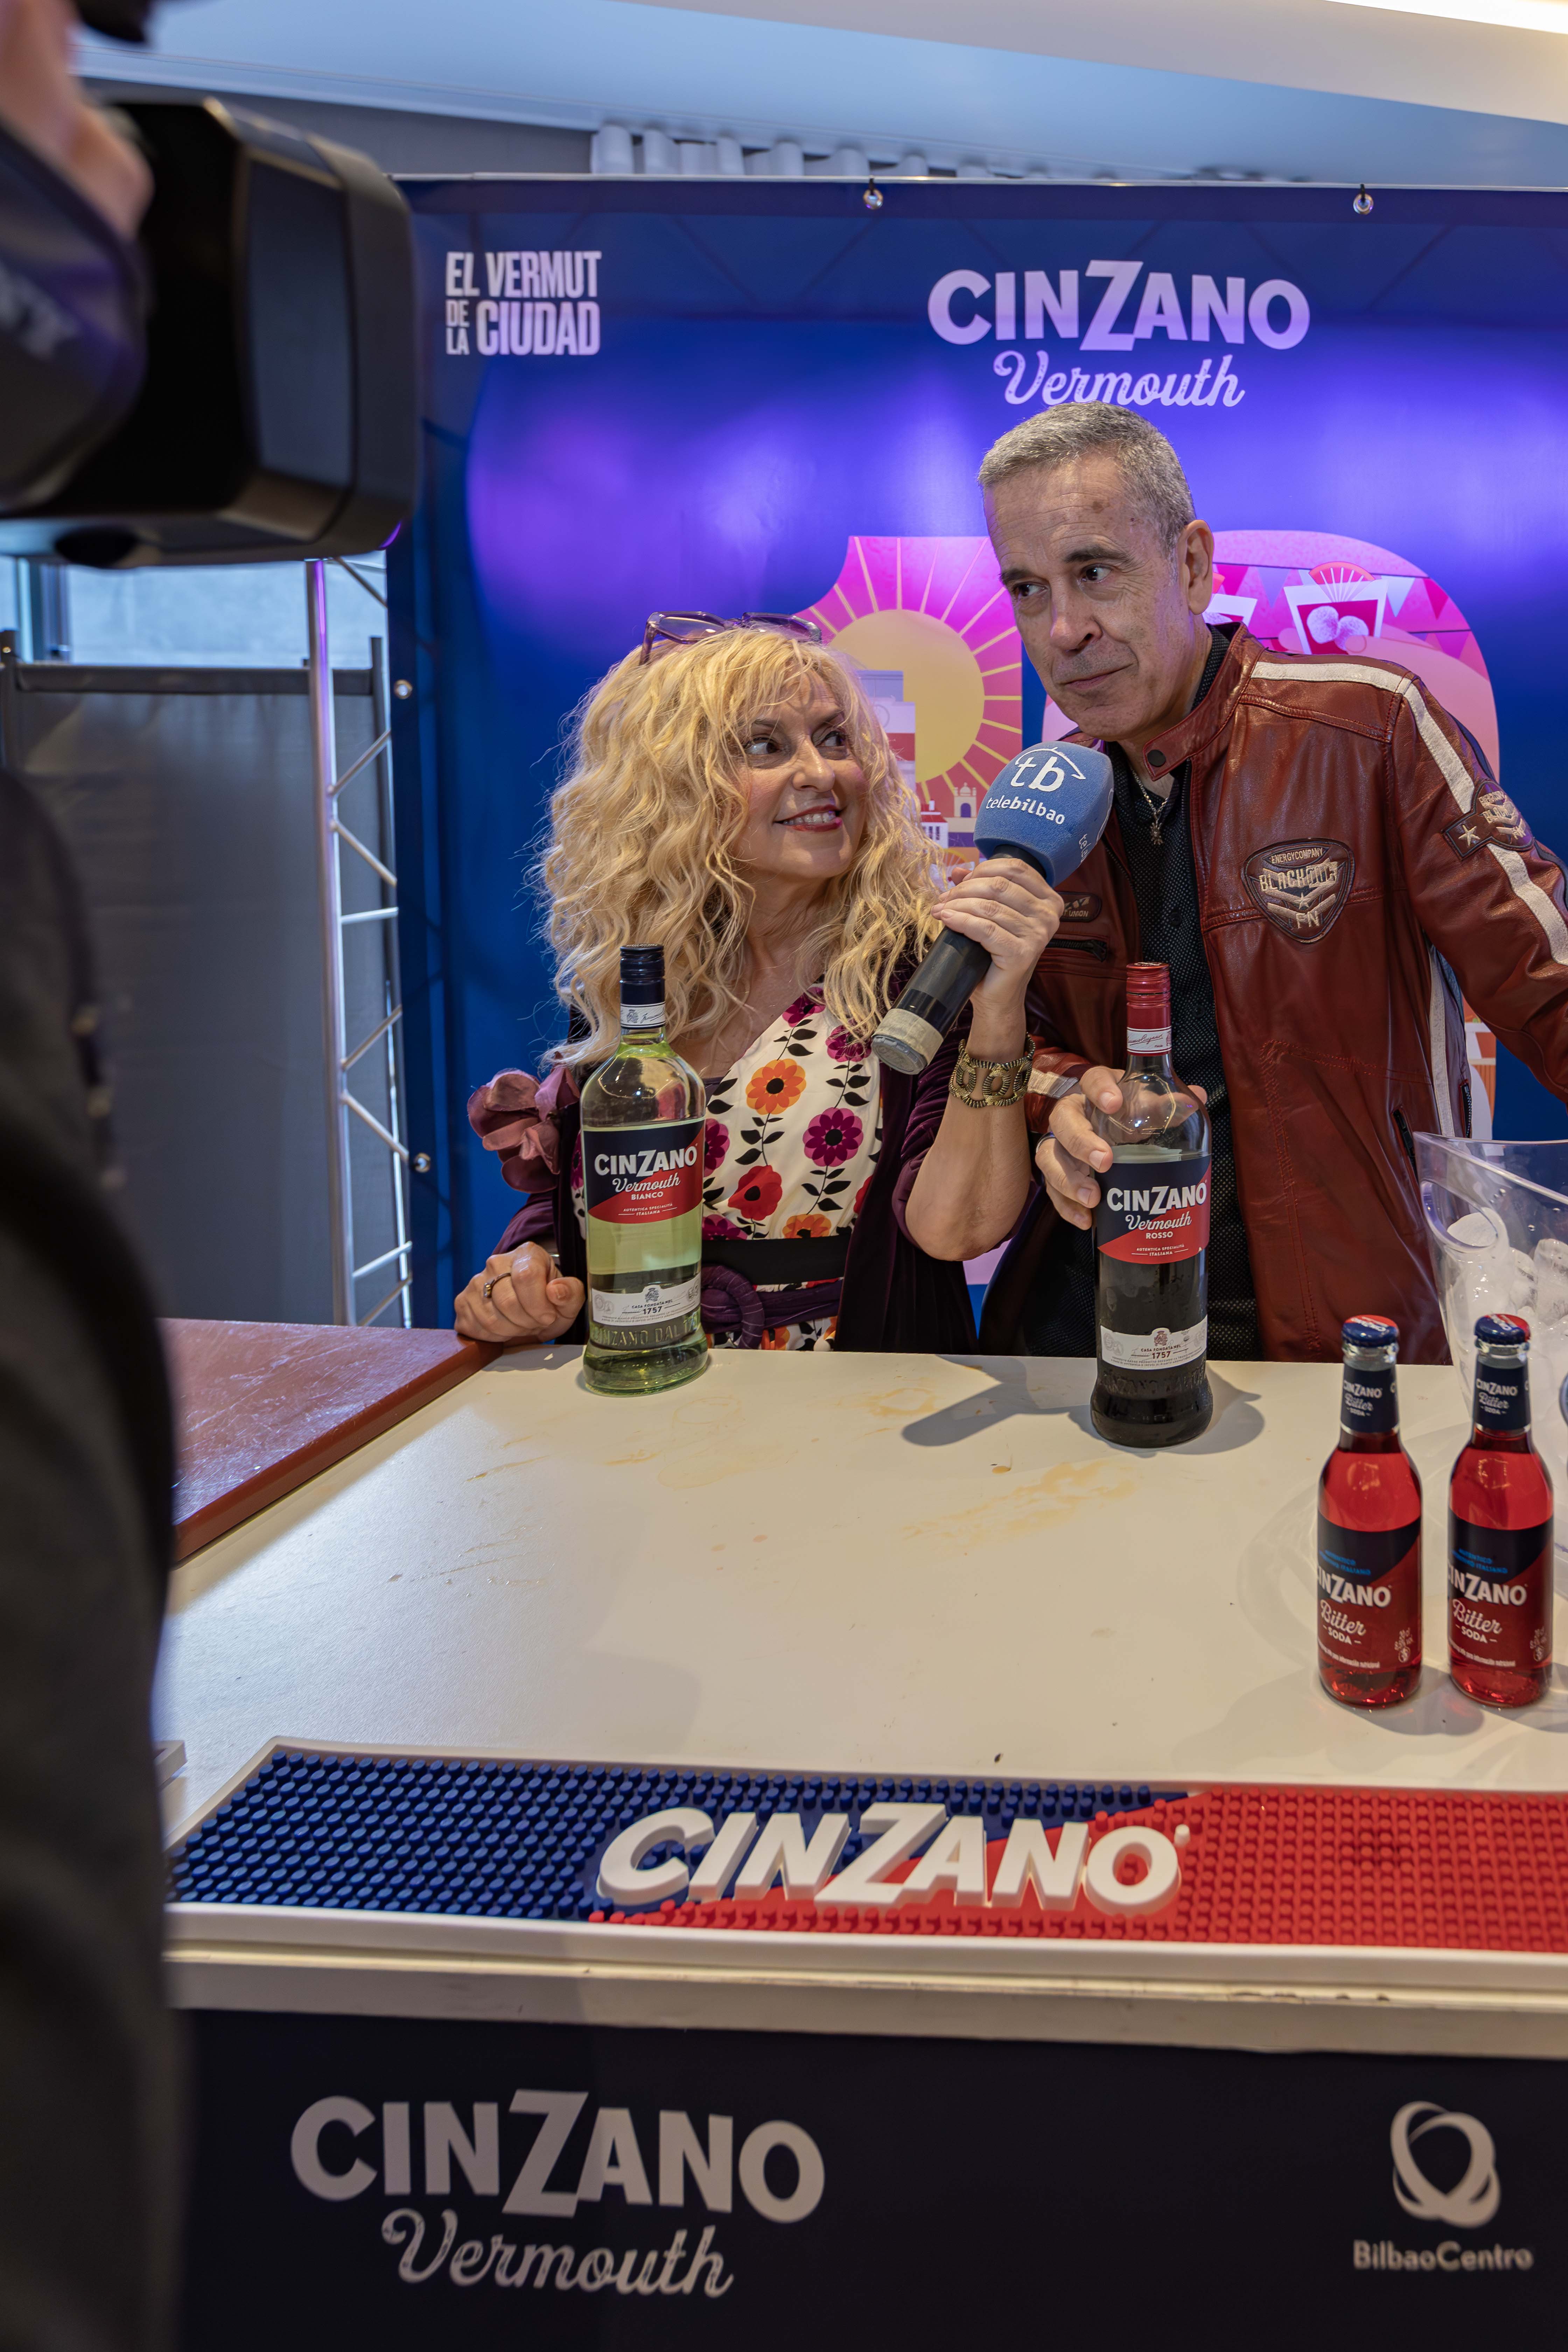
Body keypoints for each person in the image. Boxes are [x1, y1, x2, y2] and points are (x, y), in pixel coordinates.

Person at [975, 401, 1568, 1363]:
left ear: (1192, 565)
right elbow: (1017, 1045)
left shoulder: (1369, 729)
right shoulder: (1046, 797)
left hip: (1338, 1334)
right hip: (1083, 1328)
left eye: (1094, 573)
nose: (1064, 629)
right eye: (1027, 590)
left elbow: (1549, 986)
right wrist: (1066, 1095)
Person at [454, 619, 1062, 1351]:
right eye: (765, 746)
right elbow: (591, 1199)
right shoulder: (633, 975)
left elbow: (956, 1230)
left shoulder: (915, 973)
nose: (821, 773)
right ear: (675, 785)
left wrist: (996, 1015)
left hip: (857, 1395)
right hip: (642, 1383)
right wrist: (533, 1269)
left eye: (834, 739)